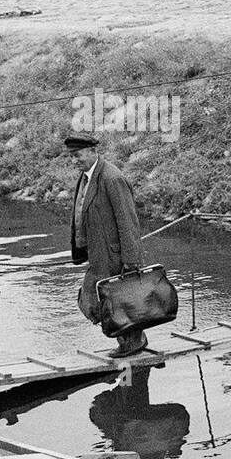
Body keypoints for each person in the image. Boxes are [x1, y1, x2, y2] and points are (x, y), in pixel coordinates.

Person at [66, 133, 148, 356]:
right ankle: (132, 339)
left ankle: (132, 341)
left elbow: (128, 221)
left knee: (111, 301)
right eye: (71, 157)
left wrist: (131, 260)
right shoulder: (86, 178)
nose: (74, 161)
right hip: (98, 253)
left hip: (115, 255)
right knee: (96, 301)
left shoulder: (112, 178)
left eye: (78, 155)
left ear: (93, 152)